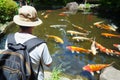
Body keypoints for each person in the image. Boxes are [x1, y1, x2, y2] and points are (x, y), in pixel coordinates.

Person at [5, 5, 52, 80]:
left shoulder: (9, 39)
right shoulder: (41, 45)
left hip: (12, 76)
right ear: (34, 25)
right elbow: (48, 64)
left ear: (18, 23)